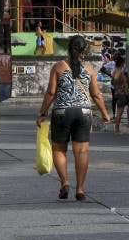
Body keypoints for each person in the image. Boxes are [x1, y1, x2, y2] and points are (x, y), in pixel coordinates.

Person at [36, 35, 110, 201]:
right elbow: (96, 94)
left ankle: (64, 182)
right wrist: (105, 113)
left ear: (69, 49)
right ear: (84, 50)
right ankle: (81, 189)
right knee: (82, 151)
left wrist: (42, 113)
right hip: (83, 113)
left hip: (62, 113)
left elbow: (51, 93)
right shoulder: (89, 69)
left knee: (59, 149)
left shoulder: (58, 67)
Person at [112, 57, 128, 134]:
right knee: (120, 112)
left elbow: (113, 83)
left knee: (118, 112)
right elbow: (125, 85)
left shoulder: (114, 72)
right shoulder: (121, 72)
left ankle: (117, 129)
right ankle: (117, 130)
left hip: (116, 93)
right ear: (122, 63)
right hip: (123, 94)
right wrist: (126, 90)